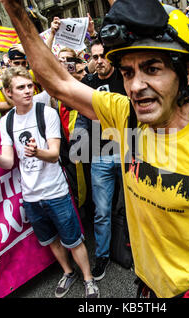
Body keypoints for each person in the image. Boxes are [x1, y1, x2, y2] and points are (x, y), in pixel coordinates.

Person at [0, 0, 189, 298]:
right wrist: (15, 9)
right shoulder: (126, 116)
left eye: (152, 69)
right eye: (128, 72)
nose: (135, 86)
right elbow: (58, 83)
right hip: (147, 288)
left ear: (185, 74)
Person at [0, 66, 99, 298]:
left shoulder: (45, 113)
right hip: (31, 196)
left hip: (56, 191)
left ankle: (88, 279)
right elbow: (8, 162)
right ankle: (68, 272)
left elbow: (55, 153)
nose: (27, 91)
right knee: (50, 240)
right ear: (8, 92)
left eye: (29, 86)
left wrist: (38, 152)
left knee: (73, 239)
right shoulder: (7, 121)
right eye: (21, 87)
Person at [71, 39, 126, 281]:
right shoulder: (88, 83)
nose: (99, 60)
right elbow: (82, 116)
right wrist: (78, 142)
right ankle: (102, 256)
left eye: (103, 55)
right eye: (94, 57)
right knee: (101, 211)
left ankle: (138, 252)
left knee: (138, 207)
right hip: (100, 156)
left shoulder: (125, 78)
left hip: (128, 152)